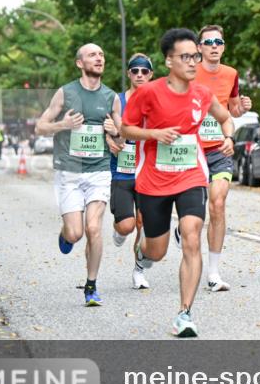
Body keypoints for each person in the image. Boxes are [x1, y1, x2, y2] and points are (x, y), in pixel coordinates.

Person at [120, 28, 235, 338]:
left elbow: (225, 117)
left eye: (195, 56)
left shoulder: (202, 94)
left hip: (191, 175)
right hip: (153, 181)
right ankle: (144, 257)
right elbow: (126, 129)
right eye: (186, 57)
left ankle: (185, 314)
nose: (193, 62)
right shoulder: (148, 93)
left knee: (192, 237)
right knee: (156, 251)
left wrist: (228, 137)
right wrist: (154, 134)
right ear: (169, 61)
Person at [36, 44, 121, 306]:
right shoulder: (66, 93)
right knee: (75, 234)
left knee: (94, 228)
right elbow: (40, 127)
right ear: (79, 63)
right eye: (93, 55)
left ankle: (91, 286)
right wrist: (64, 124)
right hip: (69, 172)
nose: (99, 58)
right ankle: (66, 235)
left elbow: (123, 135)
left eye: (102, 55)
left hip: (98, 172)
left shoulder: (111, 97)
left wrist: (114, 130)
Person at [191, 24, 252, 292]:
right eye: (209, 42)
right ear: (199, 48)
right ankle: (184, 227)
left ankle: (213, 273)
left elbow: (233, 110)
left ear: (223, 46)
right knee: (192, 213)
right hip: (190, 151)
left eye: (219, 42)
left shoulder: (232, 74)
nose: (214, 46)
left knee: (217, 203)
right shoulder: (190, 72)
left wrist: (242, 107)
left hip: (219, 149)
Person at [106, 54, 154, 289]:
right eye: (135, 71)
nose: (139, 75)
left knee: (142, 224)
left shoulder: (156, 100)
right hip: (122, 172)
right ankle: (119, 230)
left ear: (151, 75)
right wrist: (108, 138)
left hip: (147, 172)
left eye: (144, 71)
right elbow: (103, 126)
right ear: (128, 74)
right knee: (127, 225)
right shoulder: (117, 100)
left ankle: (138, 271)